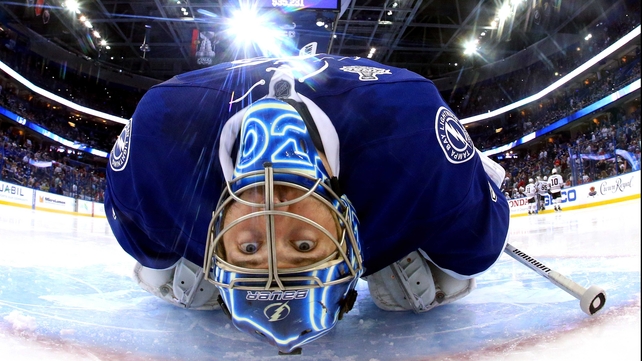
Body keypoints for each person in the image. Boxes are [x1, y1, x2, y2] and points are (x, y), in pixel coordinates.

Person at [104, 53, 510, 354]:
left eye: (249, 249)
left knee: (171, 281)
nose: (273, 216)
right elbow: (477, 232)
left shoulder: (158, 147)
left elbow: (143, 233)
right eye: (304, 247)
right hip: (383, 157)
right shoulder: (413, 137)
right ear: (351, 245)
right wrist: (471, 176)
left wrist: (178, 248)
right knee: (435, 283)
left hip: (194, 134)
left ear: (215, 250)